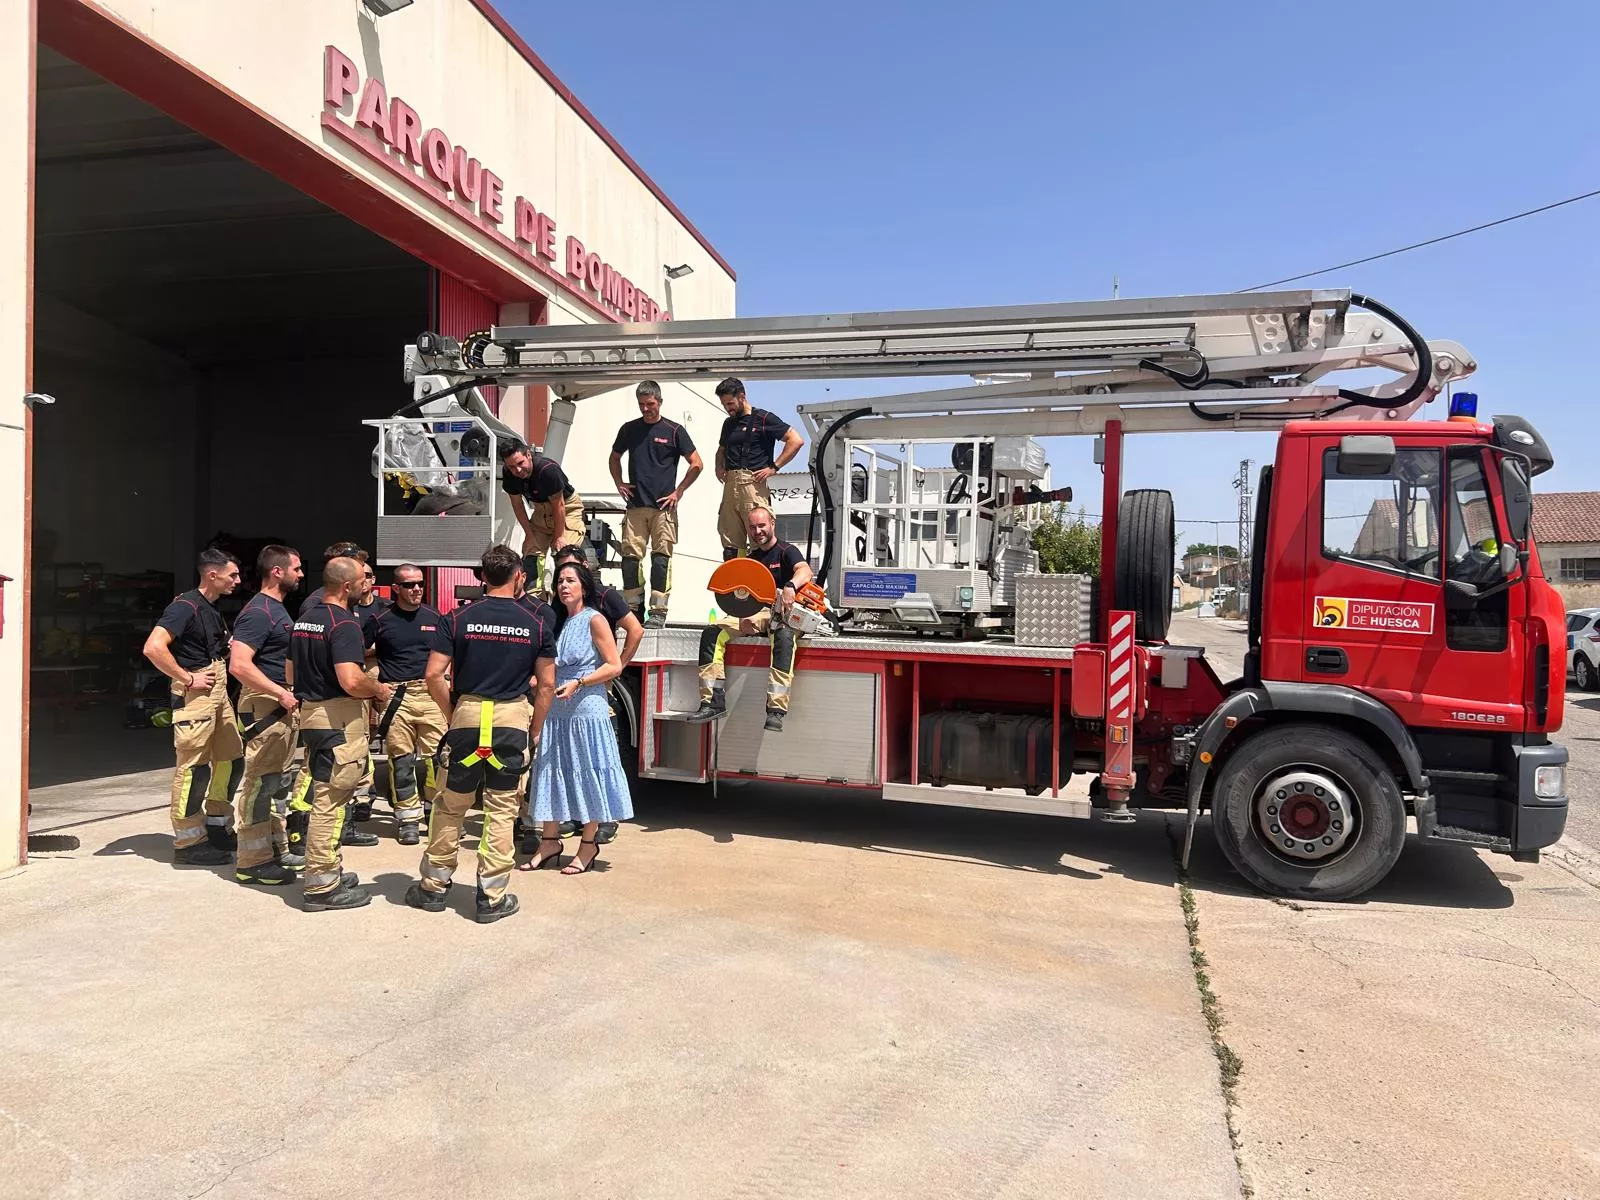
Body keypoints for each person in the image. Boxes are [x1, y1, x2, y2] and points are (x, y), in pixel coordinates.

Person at [406, 544, 556, 923]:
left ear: (481, 577)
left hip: (468, 719)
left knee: (450, 805)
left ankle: (433, 887)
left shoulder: (457, 618)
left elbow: (432, 675)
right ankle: (491, 896)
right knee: (502, 809)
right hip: (510, 722)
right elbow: (547, 686)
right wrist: (534, 730)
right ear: (519, 575)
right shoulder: (537, 622)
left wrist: (454, 712)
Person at [290, 556, 392, 912]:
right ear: (347, 587)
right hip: (337, 719)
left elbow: (290, 669)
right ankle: (321, 885)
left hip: (312, 715)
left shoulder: (305, 619)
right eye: (363, 581)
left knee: (322, 791)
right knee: (331, 803)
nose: (369, 585)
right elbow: (351, 680)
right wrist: (377, 690)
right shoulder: (344, 624)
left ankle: (328, 869)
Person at [523, 561, 633, 876]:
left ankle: (588, 844)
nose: (564, 586)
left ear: (584, 586)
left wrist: (580, 682)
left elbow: (614, 666)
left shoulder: (595, 620)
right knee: (552, 770)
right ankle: (550, 841)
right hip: (557, 709)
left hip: (587, 707)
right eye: (560, 581)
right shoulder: (556, 622)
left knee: (589, 771)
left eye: (570, 580)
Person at [142, 548, 246, 866]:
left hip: (217, 692)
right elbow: (153, 647)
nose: (238, 581)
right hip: (196, 694)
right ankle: (188, 842)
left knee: (232, 759)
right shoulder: (184, 606)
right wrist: (187, 679)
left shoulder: (210, 609)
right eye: (233, 575)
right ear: (211, 575)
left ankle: (216, 823)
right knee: (194, 769)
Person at [546, 544, 643, 846]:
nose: (565, 581)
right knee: (569, 759)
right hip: (564, 697)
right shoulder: (559, 609)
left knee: (598, 757)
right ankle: (578, 817)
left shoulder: (604, 597)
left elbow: (635, 630)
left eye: (572, 572)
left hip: (594, 689)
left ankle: (606, 820)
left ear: (586, 570)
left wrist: (619, 667)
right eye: (561, 573)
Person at [693, 505, 812, 733]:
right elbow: (741, 595)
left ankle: (776, 711)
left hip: (785, 614)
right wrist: (743, 616)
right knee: (712, 633)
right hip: (756, 615)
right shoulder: (750, 560)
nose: (757, 531)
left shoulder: (787, 551)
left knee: (784, 637)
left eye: (761, 525)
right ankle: (712, 703)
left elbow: (805, 571)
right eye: (752, 527)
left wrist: (790, 586)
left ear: (772, 524)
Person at [226, 545, 304, 884]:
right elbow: (239, 665)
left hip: (279, 705)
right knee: (259, 783)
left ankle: (275, 847)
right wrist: (280, 693)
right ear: (277, 571)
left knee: (276, 782)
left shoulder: (277, 610)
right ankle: (252, 861)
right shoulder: (259, 612)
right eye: (297, 568)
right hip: (266, 707)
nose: (301, 574)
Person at [609, 380, 703, 625]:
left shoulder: (674, 431)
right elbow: (614, 457)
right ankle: (633, 608)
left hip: (664, 508)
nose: (646, 409)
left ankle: (658, 612)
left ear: (659, 402)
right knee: (630, 560)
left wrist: (678, 491)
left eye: (650, 404)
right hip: (636, 506)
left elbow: (697, 463)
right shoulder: (629, 429)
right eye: (641, 404)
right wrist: (619, 482)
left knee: (661, 560)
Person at [365, 564, 446, 846]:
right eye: (409, 585)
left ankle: (436, 812)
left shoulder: (435, 617)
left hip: (431, 693)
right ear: (396, 588)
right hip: (397, 696)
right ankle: (408, 819)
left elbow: (451, 655)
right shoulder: (380, 618)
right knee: (401, 761)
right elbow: (356, 651)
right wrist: (374, 685)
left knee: (439, 761)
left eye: (420, 584)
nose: (416, 589)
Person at [714, 376, 803, 560]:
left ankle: (761, 583)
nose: (727, 408)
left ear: (742, 396)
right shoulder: (727, 424)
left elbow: (796, 440)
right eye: (724, 405)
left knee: (760, 538)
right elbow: (721, 450)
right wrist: (718, 466)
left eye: (730, 403)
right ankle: (735, 586)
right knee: (730, 542)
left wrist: (774, 467)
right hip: (730, 486)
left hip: (753, 484)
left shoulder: (763, 418)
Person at [500, 440, 586, 595]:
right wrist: (530, 534)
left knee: (565, 553)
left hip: (567, 507)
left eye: (521, 463)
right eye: (512, 466)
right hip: (540, 510)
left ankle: (566, 601)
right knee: (531, 552)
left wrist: (559, 536)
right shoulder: (508, 473)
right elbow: (517, 505)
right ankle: (534, 601)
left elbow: (558, 505)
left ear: (528, 455)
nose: (517, 470)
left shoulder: (547, 470)